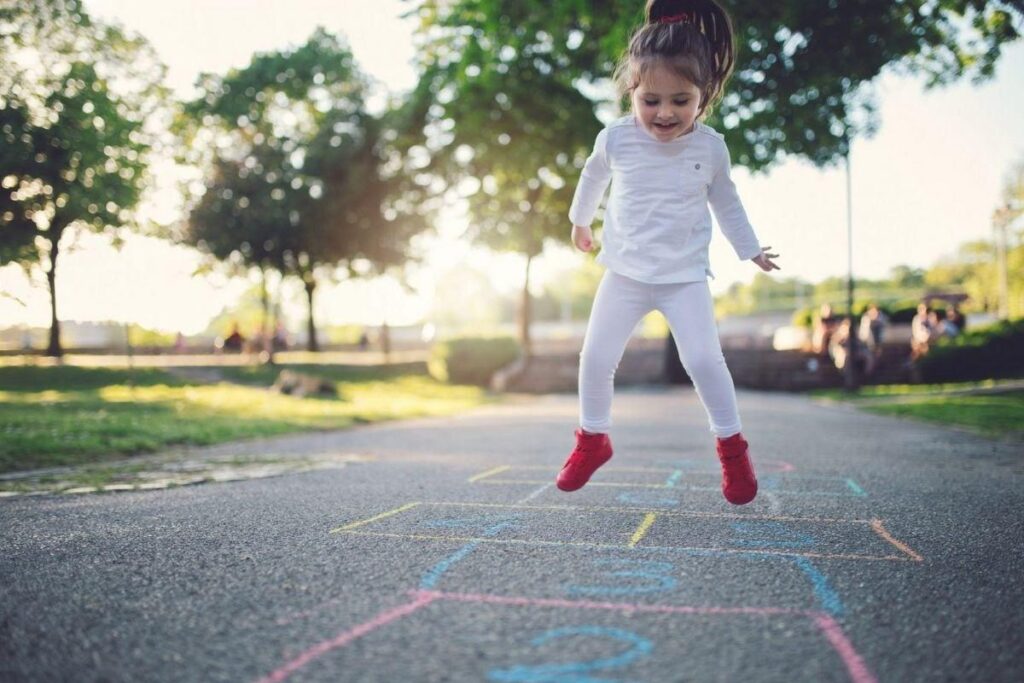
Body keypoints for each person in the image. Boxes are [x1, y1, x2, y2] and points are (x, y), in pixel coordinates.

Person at [556, 0, 780, 506]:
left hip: (684, 277)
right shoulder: (616, 137)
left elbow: (727, 200)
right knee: (594, 358)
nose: (665, 113)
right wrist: (579, 220)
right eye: (651, 100)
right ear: (632, 91)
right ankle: (593, 439)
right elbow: (593, 174)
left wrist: (750, 250)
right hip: (626, 273)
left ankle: (733, 449)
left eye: (681, 100)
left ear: (703, 96)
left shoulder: (710, 148)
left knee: (703, 358)